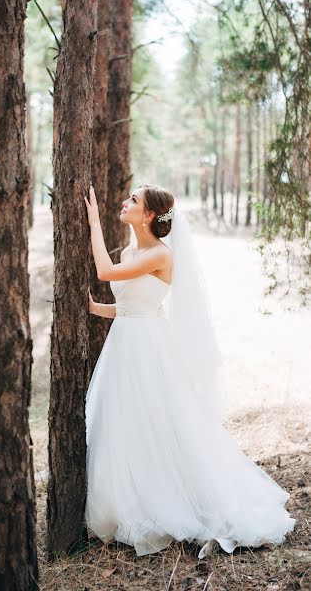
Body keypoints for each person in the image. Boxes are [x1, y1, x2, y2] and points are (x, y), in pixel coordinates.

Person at [83, 183, 296, 558]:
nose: (125, 201)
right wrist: (96, 308)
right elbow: (135, 306)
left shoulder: (161, 255)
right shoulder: (133, 250)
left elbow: (105, 271)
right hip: (125, 345)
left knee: (161, 425)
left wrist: (93, 223)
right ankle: (128, 500)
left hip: (147, 350)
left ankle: (173, 500)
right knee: (124, 423)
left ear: (149, 215)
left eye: (133, 200)